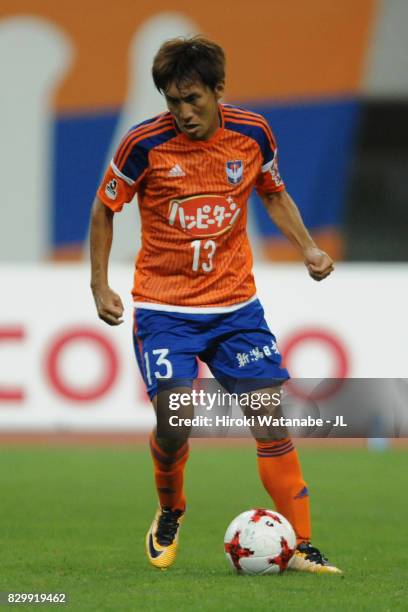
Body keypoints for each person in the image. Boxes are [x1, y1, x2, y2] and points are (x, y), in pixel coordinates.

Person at [90, 36, 341, 574]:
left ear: (218, 90)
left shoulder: (252, 133)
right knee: (175, 421)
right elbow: (105, 208)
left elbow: (273, 192)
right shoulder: (143, 144)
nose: (182, 113)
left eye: (193, 99)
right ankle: (170, 509)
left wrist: (308, 247)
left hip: (235, 309)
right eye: (172, 102)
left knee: (270, 421)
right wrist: (99, 285)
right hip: (165, 309)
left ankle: (304, 544)